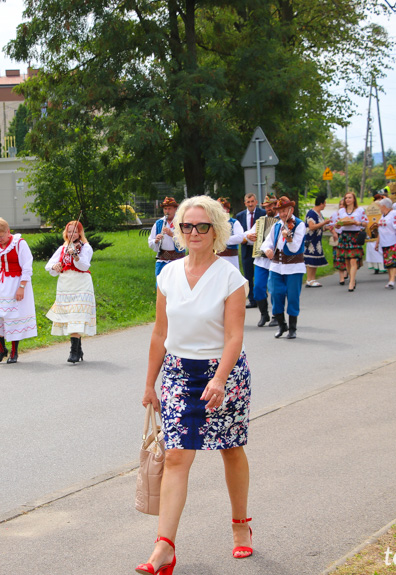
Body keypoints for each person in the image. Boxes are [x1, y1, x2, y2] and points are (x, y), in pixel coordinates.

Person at [137, 195, 251, 575]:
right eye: (187, 226)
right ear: (179, 230)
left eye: (202, 226)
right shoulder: (167, 274)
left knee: (230, 449)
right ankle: (163, 548)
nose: (194, 232)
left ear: (216, 229)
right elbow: (159, 332)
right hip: (177, 374)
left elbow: (235, 336)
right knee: (175, 456)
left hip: (224, 374)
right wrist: (150, 383)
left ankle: (240, 525)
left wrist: (220, 380)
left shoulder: (230, 277)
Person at [0, 218, 37, 364]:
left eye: (1, 236)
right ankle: (1, 349)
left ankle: (14, 351)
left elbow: (27, 266)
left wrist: (22, 287)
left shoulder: (20, 243)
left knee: (12, 317)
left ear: (8, 232)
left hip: (14, 284)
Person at [45, 220, 96, 363]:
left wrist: (76, 256)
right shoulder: (63, 248)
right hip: (66, 285)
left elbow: (84, 265)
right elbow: (49, 266)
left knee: (76, 316)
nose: (71, 234)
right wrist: (55, 267)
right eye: (69, 231)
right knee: (70, 317)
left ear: (80, 233)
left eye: (74, 231)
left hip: (81, 284)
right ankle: (78, 350)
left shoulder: (85, 248)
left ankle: (73, 352)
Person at [263, 196, 307, 338]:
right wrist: (267, 250)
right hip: (276, 267)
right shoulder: (276, 226)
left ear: (291, 210)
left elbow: (294, 248)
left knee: (293, 297)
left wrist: (289, 238)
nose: (282, 214)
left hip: (294, 267)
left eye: (284, 211)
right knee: (276, 294)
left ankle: (293, 328)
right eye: (280, 211)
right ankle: (282, 325)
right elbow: (267, 242)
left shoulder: (299, 225)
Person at [243, 197, 279, 328]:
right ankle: (264, 313)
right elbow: (248, 233)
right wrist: (248, 236)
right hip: (261, 260)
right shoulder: (261, 221)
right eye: (266, 207)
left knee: (275, 289)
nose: (268, 209)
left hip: (276, 260)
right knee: (258, 287)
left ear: (276, 205)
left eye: (271, 206)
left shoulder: (283, 221)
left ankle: (276, 315)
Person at [235, 193, 266, 308]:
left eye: (252, 201)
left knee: (261, 272)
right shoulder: (240, 216)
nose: (250, 204)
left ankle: (262, 298)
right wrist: (245, 239)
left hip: (260, 246)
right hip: (246, 246)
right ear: (245, 203)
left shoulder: (263, 213)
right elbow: (239, 233)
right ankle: (252, 299)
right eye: (248, 202)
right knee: (248, 274)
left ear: (256, 202)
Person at [332, 192, 367, 292]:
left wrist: (358, 223)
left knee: (353, 259)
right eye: (346, 198)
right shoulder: (341, 211)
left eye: (350, 198)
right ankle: (352, 278)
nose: (347, 200)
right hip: (345, 235)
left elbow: (365, 223)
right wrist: (338, 225)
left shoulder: (360, 210)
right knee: (347, 260)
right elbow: (337, 224)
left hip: (355, 235)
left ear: (354, 199)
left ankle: (351, 281)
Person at [148, 197, 186, 277]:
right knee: (160, 284)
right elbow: (150, 242)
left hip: (178, 260)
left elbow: (186, 241)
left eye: (169, 209)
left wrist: (172, 235)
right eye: (165, 209)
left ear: (175, 209)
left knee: (177, 284)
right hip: (163, 260)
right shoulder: (159, 223)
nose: (167, 211)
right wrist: (156, 240)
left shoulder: (182, 222)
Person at [375, 198, 396, 290]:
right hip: (384, 242)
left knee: (393, 261)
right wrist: (377, 242)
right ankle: (390, 279)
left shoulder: (394, 214)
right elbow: (380, 230)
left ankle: (392, 280)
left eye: (380, 206)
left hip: (392, 241)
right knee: (388, 262)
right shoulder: (383, 216)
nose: (379, 208)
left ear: (384, 206)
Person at [303, 194, 329, 287]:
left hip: (317, 240)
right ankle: (309, 280)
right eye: (325, 203)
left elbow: (320, 227)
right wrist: (324, 222)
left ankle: (313, 279)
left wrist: (327, 227)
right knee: (310, 261)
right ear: (321, 203)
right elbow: (312, 226)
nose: (325, 205)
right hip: (311, 240)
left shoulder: (319, 214)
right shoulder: (311, 213)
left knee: (315, 260)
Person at [217, 198, 246, 270]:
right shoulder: (213, 223)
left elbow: (240, 237)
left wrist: (222, 240)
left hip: (231, 258)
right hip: (216, 258)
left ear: (228, 210)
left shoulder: (234, 222)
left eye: (223, 209)